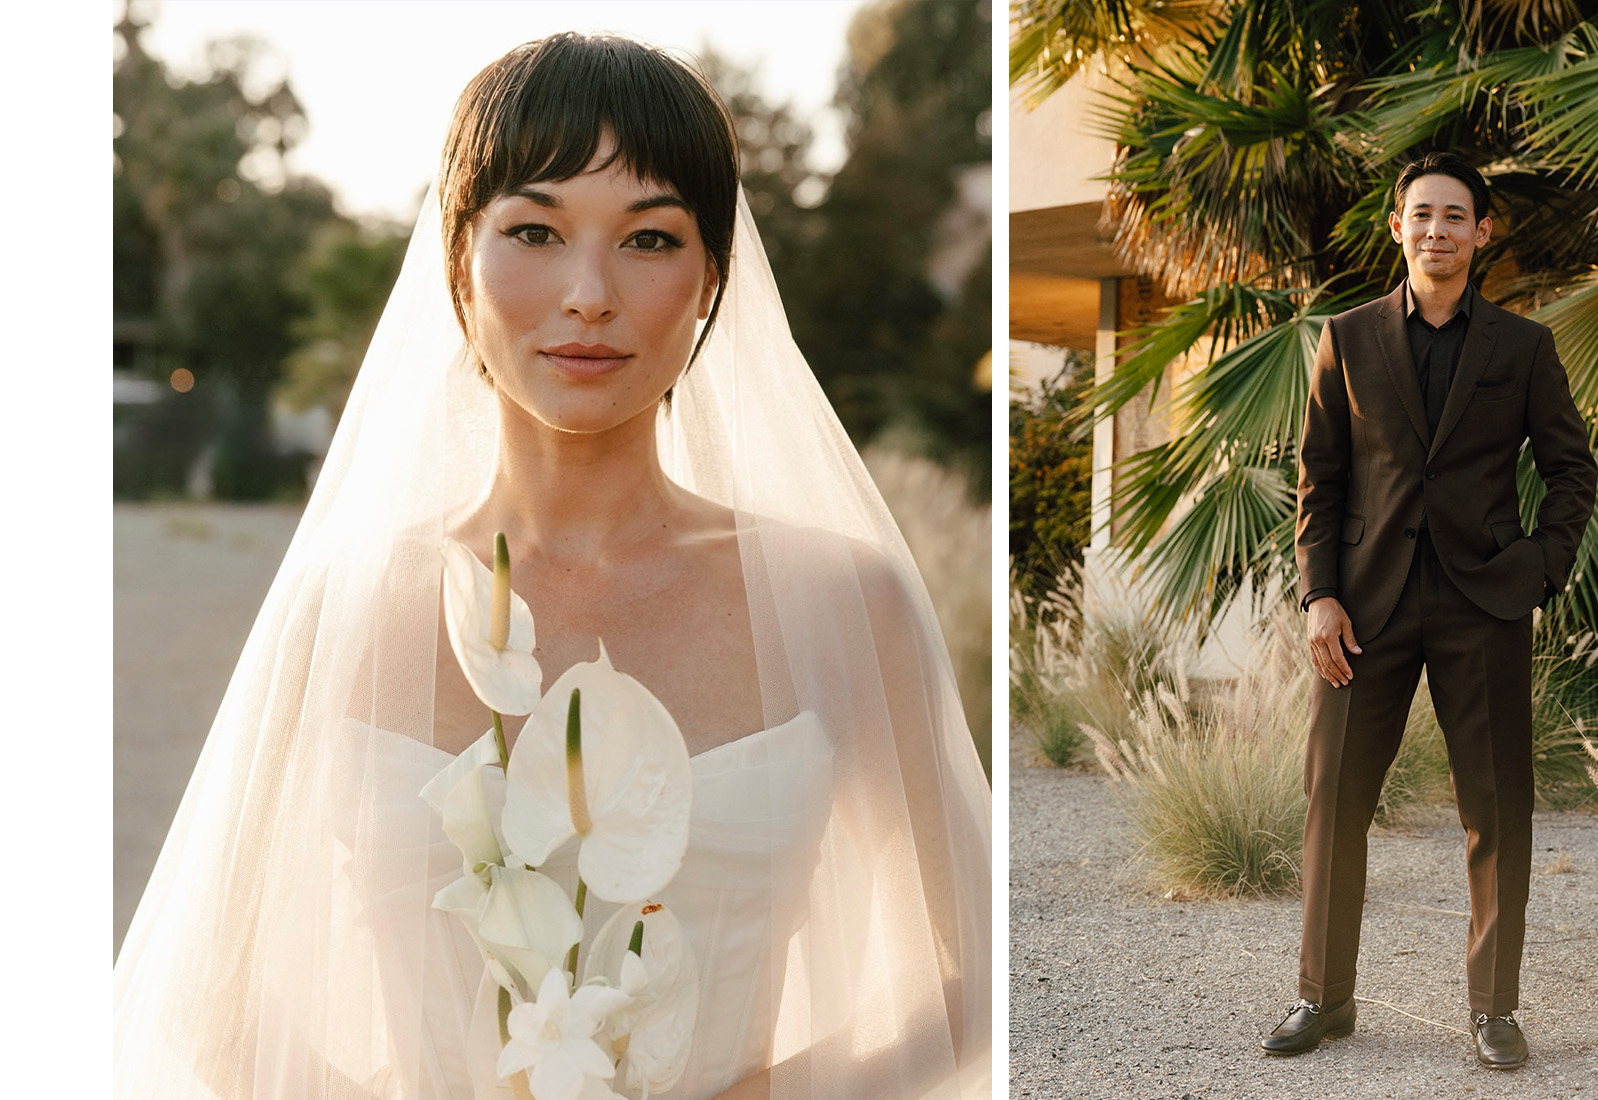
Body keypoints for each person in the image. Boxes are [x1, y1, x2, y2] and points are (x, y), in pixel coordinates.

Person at [112, 33, 991, 1099]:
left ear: (711, 280)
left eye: (650, 239)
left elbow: (976, 974)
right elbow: (207, 1003)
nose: (588, 293)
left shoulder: (841, 600)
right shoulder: (350, 600)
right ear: (458, 264)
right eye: (534, 230)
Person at [1262, 152, 1597, 1069]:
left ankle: (1494, 1010)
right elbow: (1320, 479)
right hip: (1362, 608)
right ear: (1398, 226)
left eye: (1455, 216)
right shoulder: (1347, 337)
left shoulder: (1523, 347)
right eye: (1422, 214)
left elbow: (1571, 471)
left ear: (1481, 233)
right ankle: (1323, 998)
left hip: (1483, 604)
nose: (1436, 230)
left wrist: (1538, 567)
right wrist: (1318, 594)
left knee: (1497, 809)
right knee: (1335, 800)